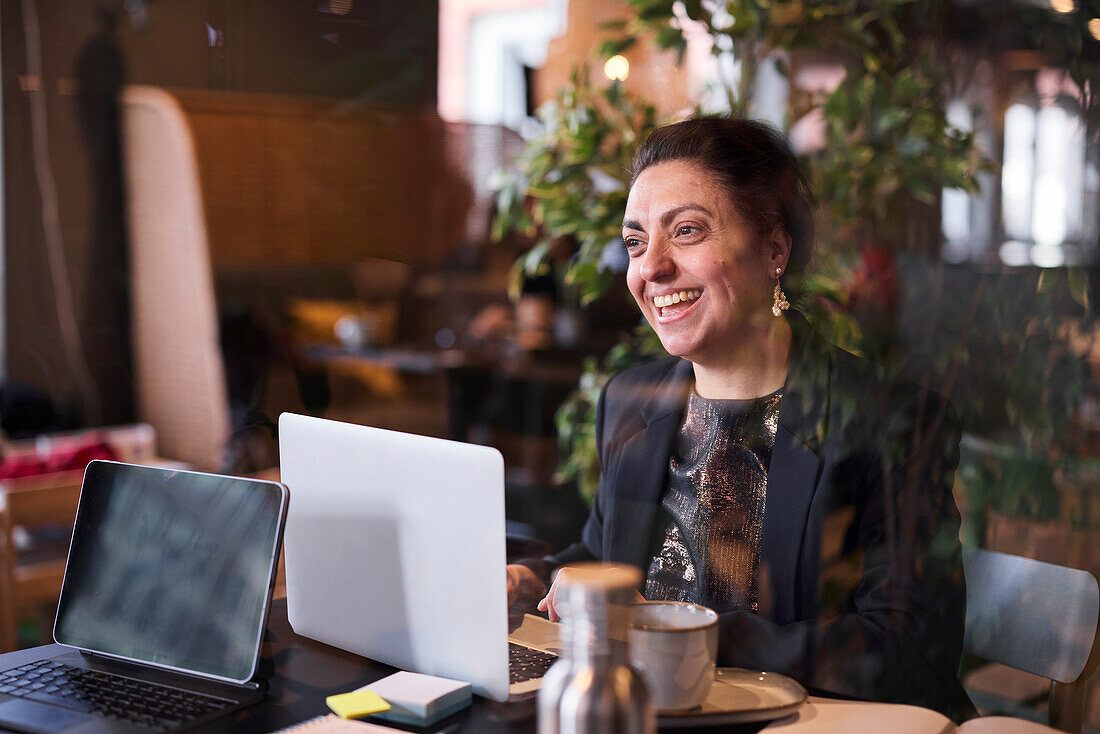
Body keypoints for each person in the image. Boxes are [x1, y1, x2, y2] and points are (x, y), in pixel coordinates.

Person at [506, 117, 975, 721]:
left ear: (774, 250)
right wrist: (533, 577)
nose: (650, 269)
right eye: (635, 242)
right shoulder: (632, 401)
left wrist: (670, 630)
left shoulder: (892, 420)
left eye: (688, 231)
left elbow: (909, 650)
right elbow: (604, 557)